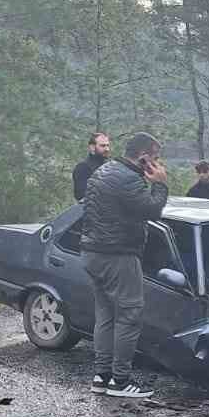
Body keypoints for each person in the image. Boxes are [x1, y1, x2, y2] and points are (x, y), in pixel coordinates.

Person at [82, 132, 169, 399]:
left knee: (106, 315)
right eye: (154, 157)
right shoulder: (129, 179)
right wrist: (161, 184)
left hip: (91, 252)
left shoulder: (105, 170)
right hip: (118, 255)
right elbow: (153, 210)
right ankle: (120, 381)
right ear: (143, 156)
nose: (156, 162)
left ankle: (101, 376)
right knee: (129, 317)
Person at [72, 132, 111, 201]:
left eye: (108, 145)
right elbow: (81, 196)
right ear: (92, 147)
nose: (107, 149)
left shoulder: (109, 167)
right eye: (103, 146)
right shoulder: (83, 167)